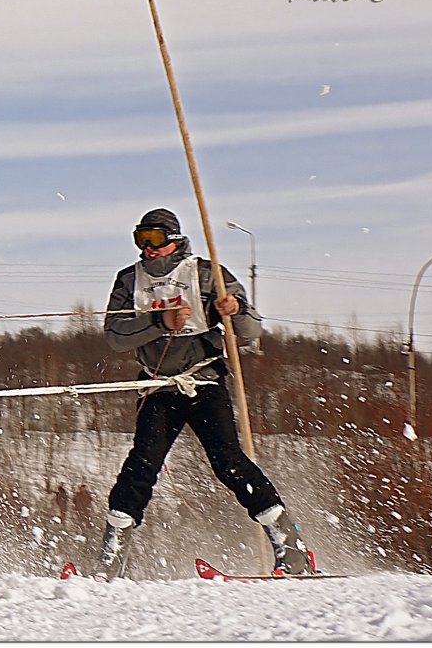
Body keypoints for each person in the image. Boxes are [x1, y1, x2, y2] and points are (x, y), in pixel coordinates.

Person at [96, 208, 313, 579]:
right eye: (140, 239)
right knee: (141, 466)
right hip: (157, 384)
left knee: (227, 460)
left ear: (175, 239)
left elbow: (251, 330)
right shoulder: (129, 280)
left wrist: (235, 309)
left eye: (155, 239)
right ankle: (111, 556)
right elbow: (116, 336)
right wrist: (156, 321)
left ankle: (289, 544)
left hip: (204, 380)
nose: (148, 249)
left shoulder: (205, 273)